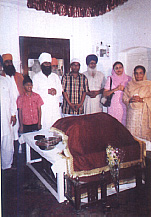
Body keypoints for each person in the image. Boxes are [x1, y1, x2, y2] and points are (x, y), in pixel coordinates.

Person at [32, 52, 62, 129]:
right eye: (45, 63)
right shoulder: (36, 77)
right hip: (43, 107)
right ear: (41, 65)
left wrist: (56, 91)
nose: (48, 65)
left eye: (49, 63)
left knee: (55, 128)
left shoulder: (55, 77)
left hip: (54, 106)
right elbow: (34, 92)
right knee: (44, 127)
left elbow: (60, 90)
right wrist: (47, 91)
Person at [123, 65, 151, 141]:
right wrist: (130, 99)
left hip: (144, 114)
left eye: (140, 73)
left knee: (143, 137)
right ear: (134, 74)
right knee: (132, 136)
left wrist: (142, 100)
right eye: (136, 73)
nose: (138, 75)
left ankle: (145, 152)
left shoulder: (149, 85)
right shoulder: (129, 85)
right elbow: (124, 98)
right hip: (132, 115)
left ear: (144, 74)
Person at [2, 53, 24, 141]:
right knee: (9, 132)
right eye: (6, 62)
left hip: (20, 108)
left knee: (18, 131)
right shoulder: (2, 78)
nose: (9, 64)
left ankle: (18, 151)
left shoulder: (18, 76)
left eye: (10, 62)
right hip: (7, 110)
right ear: (3, 64)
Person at [103, 61, 131, 126]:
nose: (119, 69)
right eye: (116, 68)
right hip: (113, 106)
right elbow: (105, 94)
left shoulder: (128, 79)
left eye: (120, 67)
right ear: (114, 70)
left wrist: (123, 89)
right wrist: (115, 89)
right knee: (113, 124)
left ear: (123, 68)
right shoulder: (110, 79)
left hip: (124, 105)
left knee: (123, 124)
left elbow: (131, 93)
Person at [1, 74, 17, 170]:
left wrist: (13, 114)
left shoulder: (6, 81)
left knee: (7, 145)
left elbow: (12, 99)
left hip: (6, 119)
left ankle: (7, 167)